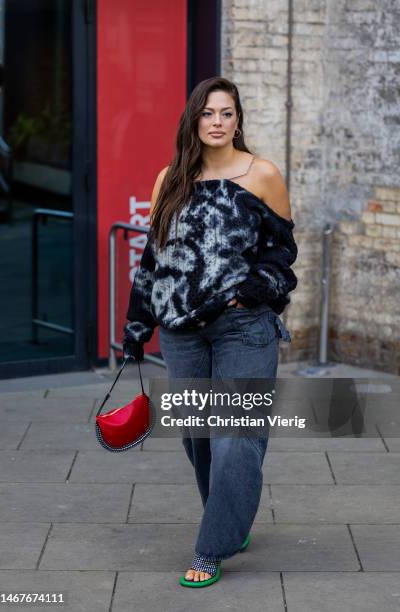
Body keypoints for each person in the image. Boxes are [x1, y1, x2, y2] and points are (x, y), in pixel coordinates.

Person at [122, 76, 298, 587]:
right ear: (193, 121)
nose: (217, 122)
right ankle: (231, 520)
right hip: (182, 333)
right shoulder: (170, 179)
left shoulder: (261, 174)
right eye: (207, 113)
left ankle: (211, 548)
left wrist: (250, 290)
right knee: (199, 439)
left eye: (226, 113)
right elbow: (153, 262)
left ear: (238, 119)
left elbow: (282, 255)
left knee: (235, 440)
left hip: (244, 328)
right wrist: (137, 327)